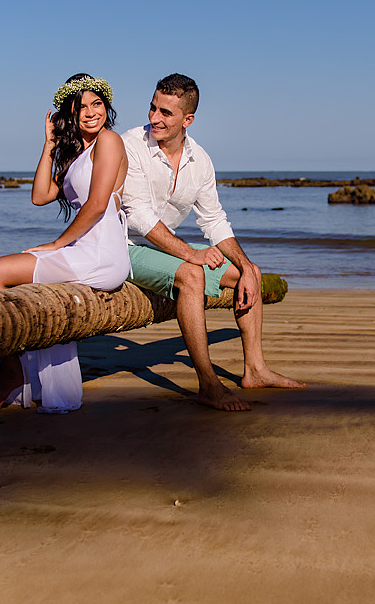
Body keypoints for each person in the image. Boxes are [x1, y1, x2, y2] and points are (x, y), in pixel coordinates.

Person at [0, 73, 130, 412]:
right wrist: (49, 145)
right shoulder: (77, 154)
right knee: (4, 276)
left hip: (101, 253)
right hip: (83, 249)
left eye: (96, 104)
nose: (90, 112)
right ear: (70, 114)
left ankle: (8, 372)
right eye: (80, 107)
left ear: (106, 107)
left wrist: (57, 244)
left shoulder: (109, 140)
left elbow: (98, 204)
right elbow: (40, 196)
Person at [122, 73, 305, 411]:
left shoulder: (200, 160)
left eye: (166, 112)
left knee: (249, 273)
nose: (154, 118)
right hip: (123, 248)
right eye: (152, 108)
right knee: (191, 274)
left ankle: (255, 370)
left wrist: (245, 265)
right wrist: (190, 254)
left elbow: (214, 220)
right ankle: (208, 384)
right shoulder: (130, 145)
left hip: (161, 248)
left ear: (188, 120)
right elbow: (139, 217)